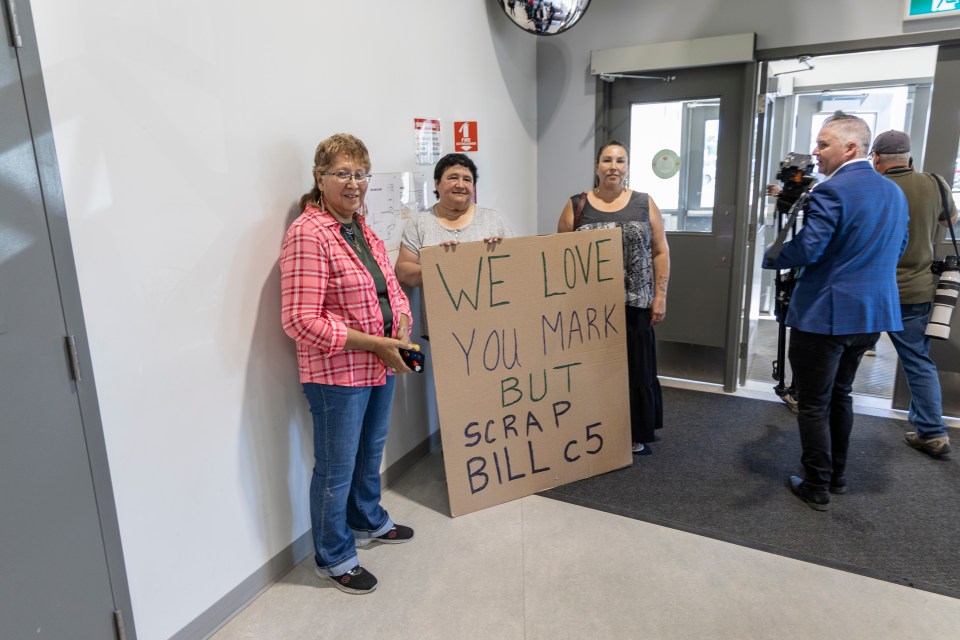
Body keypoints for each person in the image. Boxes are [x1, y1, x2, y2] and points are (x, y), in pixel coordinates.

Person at [280, 133, 415, 595]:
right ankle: (334, 556)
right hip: (336, 376)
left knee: (368, 456)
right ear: (319, 178)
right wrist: (373, 342)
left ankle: (367, 520)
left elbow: (389, 288)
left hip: (380, 363)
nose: (354, 182)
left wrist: (400, 332)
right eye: (343, 173)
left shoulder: (359, 226)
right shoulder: (308, 233)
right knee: (336, 469)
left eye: (360, 173)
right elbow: (299, 320)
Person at [763, 113, 909, 511]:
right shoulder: (894, 192)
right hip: (870, 316)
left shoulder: (831, 192)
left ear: (851, 148)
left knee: (813, 401)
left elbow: (809, 249)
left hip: (825, 316)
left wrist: (772, 256)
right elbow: (899, 247)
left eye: (823, 144)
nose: (815, 151)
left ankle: (816, 484)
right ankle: (837, 475)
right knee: (841, 394)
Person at [556, 140, 670, 456]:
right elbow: (558, 256)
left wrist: (660, 295)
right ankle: (596, 430)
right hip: (589, 306)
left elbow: (661, 251)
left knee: (637, 371)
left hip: (635, 303)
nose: (613, 166)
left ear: (627, 167)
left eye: (620, 160)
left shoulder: (644, 203)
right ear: (596, 166)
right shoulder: (577, 205)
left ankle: (634, 433)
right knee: (594, 370)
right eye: (607, 160)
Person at [870, 130, 957, 459]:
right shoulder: (934, 183)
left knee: (841, 358)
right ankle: (933, 433)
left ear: (876, 159)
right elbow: (950, 218)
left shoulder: (876, 186)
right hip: (916, 290)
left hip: (872, 290)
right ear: (909, 157)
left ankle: (826, 420)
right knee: (919, 362)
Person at [395, 153, 512, 337]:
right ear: (436, 183)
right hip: (442, 330)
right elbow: (402, 271)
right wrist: (437, 267)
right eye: (452, 178)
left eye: (467, 179)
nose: (460, 184)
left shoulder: (492, 220)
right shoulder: (420, 223)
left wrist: (500, 254)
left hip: (491, 325)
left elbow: (516, 267)